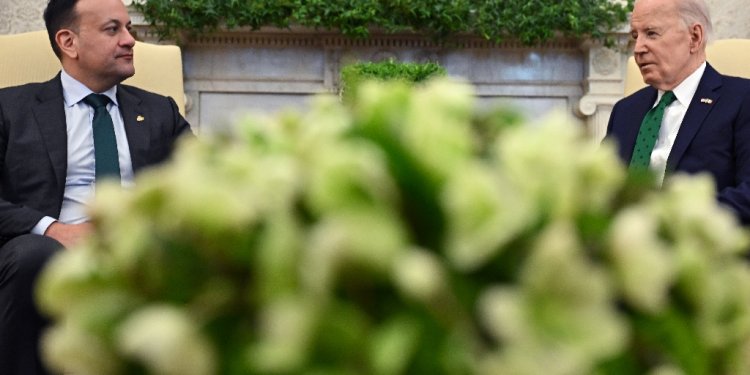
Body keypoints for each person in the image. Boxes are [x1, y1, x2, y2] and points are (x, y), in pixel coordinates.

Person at [0, 0, 192, 373]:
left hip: (140, 249)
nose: (130, 40)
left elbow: (203, 180)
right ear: (68, 42)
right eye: (112, 29)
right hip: (42, 253)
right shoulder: (10, 108)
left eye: (129, 27)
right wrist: (52, 230)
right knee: (33, 256)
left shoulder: (159, 112)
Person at [607, 0, 750, 223]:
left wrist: (674, 223)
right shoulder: (624, 111)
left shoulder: (742, 99)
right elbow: (601, 191)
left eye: (651, 33)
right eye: (636, 36)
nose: (638, 48)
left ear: (694, 37)